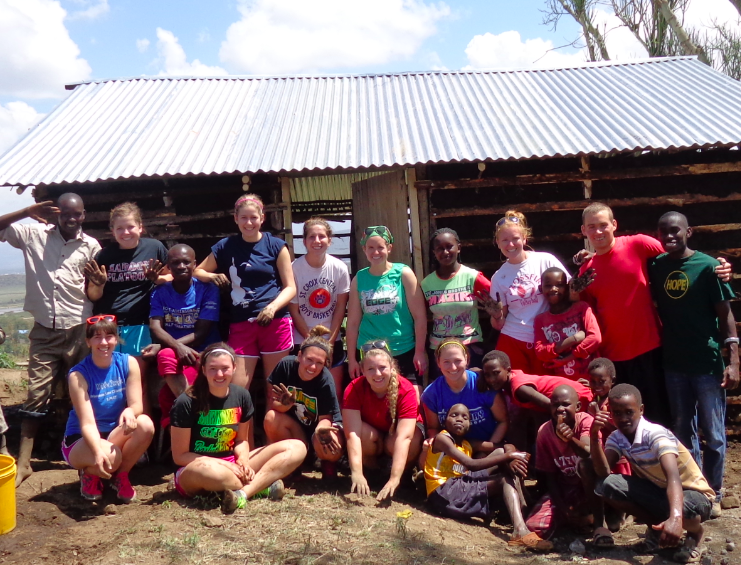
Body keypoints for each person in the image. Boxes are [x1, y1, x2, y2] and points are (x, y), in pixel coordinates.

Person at [577, 202, 731, 427]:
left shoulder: (637, 244)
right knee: (624, 422)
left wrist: (718, 265)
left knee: (661, 418)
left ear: (614, 225)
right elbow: (587, 314)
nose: (598, 231)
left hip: (650, 349)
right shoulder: (586, 271)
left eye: (603, 225)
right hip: (614, 358)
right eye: (592, 227)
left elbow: (680, 254)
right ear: (583, 231)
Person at [0, 194, 101, 486]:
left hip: (79, 329)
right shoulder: (33, 234)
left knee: (83, 394)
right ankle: (24, 462)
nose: (71, 219)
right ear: (57, 214)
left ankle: (87, 455)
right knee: (36, 394)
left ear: (84, 214)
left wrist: (98, 285)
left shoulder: (92, 246)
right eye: (66, 213)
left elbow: (93, 293)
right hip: (44, 329)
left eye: (77, 214)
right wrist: (26, 210)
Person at [647, 211, 739, 518]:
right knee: (682, 432)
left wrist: (733, 360)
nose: (669, 237)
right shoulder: (657, 266)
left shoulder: (710, 267)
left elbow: (725, 314)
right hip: (673, 363)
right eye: (663, 232)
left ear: (690, 232)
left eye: (675, 231)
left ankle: (715, 490)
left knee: (713, 433)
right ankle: (694, 489)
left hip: (707, 362)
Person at [170, 343, 306, 514]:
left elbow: (241, 440)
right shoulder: (186, 402)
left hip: (232, 464)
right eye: (213, 369)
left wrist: (243, 461)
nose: (219, 374)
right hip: (198, 468)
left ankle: (243, 493)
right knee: (209, 471)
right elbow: (180, 456)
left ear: (234, 368)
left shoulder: (241, 395)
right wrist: (225, 465)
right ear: (203, 370)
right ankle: (261, 487)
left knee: (297, 447)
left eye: (225, 368)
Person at [591, 384, 714, 563]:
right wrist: (594, 435)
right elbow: (603, 472)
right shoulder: (617, 438)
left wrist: (676, 517)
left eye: (629, 412)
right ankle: (657, 530)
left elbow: (673, 477)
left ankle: (695, 534)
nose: (623, 418)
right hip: (661, 494)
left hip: (695, 495)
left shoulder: (655, 434)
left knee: (685, 508)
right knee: (607, 485)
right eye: (617, 413)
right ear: (610, 413)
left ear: (641, 410)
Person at [194, 194, 296, 389]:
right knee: (238, 389)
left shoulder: (276, 246)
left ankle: (270, 420)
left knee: (275, 391)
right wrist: (212, 276)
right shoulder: (226, 246)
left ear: (262, 218)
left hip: (274, 322)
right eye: (244, 218)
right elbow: (198, 270)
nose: (249, 223)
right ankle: (241, 421)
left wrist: (272, 308)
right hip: (241, 323)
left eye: (253, 218)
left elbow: (290, 287)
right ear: (236, 219)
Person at [424, 403, 552, 552]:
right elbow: (470, 464)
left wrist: (509, 454)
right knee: (503, 477)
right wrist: (510, 455)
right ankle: (520, 530)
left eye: (465, 417)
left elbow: (502, 446)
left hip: (460, 486)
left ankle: (523, 510)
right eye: (454, 415)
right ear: (444, 421)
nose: (459, 419)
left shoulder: (468, 444)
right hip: (443, 493)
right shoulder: (442, 439)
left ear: (469, 425)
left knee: (499, 454)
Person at [62, 315, 154, 502]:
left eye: (109, 336)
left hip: (114, 434)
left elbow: (137, 405)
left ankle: (121, 476)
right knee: (110, 457)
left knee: (145, 424)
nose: (104, 342)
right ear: (88, 342)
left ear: (116, 339)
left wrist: (130, 411)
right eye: (97, 337)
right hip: (81, 437)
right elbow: (87, 424)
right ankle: (89, 473)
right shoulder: (78, 375)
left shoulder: (128, 363)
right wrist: (97, 452)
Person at [84, 202, 169, 383]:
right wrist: (98, 284)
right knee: (109, 379)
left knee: (136, 379)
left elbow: (172, 278)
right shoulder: (104, 256)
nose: (126, 232)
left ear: (140, 227)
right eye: (119, 228)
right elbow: (93, 296)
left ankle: (139, 412)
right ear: (112, 231)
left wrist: (157, 279)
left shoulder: (154, 248)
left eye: (130, 227)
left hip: (139, 325)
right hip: (108, 326)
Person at [142, 244, 221, 425]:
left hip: (204, 351)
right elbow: (155, 326)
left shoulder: (208, 290)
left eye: (186, 262)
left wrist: (166, 345)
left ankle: (190, 416)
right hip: (177, 355)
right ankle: (194, 410)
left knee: (166, 397)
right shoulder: (159, 292)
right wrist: (177, 347)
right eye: (176, 263)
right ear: (168, 267)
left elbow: (201, 332)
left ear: (194, 264)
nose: (181, 267)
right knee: (166, 356)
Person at [489, 211, 573, 375]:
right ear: (497, 243)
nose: (510, 244)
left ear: (524, 239)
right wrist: (496, 315)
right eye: (505, 240)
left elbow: (570, 292)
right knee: (517, 392)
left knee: (549, 391)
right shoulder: (498, 277)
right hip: (513, 340)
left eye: (515, 239)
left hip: (547, 337)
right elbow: (498, 324)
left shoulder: (545, 260)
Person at [346, 225, 428, 394]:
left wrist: (419, 351)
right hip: (370, 353)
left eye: (380, 247)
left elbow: (419, 316)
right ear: (364, 249)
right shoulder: (359, 278)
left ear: (389, 248)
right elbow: (353, 322)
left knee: (413, 399)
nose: (375, 252)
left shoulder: (403, 273)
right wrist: (352, 359)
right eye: (370, 247)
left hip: (403, 348)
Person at [525, 385, 609, 546]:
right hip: (567, 489)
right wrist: (564, 509)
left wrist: (570, 439)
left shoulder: (586, 421)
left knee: (585, 465)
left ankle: (598, 522)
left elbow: (587, 453)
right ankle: (578, 519)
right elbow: (549, 476)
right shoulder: (544, 432)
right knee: (534, 526)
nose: (560, 409)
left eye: (565, 404)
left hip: (594, 486)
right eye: (555, 405)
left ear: (577, 407)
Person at [343, 344, 423, 501]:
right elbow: (352, 434)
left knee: (413, 437)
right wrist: (357, 472)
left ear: (392, 366)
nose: (377, 373)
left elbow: (404, 437)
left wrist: (395, 477)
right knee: (361, 434)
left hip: (396, 439)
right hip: (374, 437)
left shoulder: (405, 389)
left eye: (382, 367)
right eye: (371, 369)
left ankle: (402, 476)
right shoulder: (354, 388)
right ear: (362, 369)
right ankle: (371, 473)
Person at [264, 326, 344, 478]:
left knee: (330, 442)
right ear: (299, 356)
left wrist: (321, 429)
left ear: (325, 364)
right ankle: (294, 463)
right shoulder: (285, 366)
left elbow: (326, 417)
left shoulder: (325, 380)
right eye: (309, 360)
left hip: (318, 428)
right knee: (271, 418)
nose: (313, 367)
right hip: (296, 429)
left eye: (319, 363)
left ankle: (326, 462)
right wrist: (286, 404)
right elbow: (274, 404)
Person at [479, 350, 592, 454]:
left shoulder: (519, 388)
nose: (491, 379)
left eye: (496, 373)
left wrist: (554, 429)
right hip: (573, 396)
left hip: (578, 398)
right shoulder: (512, 378)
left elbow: (550, 405)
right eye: (487, 375)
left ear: (508, 370)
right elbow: (537, 408)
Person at [288, 218, 350, 397]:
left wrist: (328, 343)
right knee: (304, 393)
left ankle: (333, 424)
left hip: (332, 340)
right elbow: (294, 310)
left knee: (333, 392)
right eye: (312, 237)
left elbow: (340, 307)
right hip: (302, 339)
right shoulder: (295, 269)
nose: (317, 241)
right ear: (304, 241)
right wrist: (312, 343)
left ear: (329, 240)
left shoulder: (339, 268)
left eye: (322, 236)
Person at [421, 227, 492, 380]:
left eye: (449, 246)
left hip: (470, 349)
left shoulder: (472, 277)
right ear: (434, 252)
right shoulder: (426, 284)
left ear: (458, 248)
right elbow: (418, 317)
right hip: (439, 351)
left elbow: (497, 301)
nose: (445, 252)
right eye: (439, 249)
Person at [422, 340, 507, 459]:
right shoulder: (431, 393)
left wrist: (487, 451)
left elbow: (503, 421)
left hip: (486, 447)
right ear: (438, 363)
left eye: (458, 361)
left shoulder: (482, 383)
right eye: (446, 362)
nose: (453, 367)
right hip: (453, 451)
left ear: (467, 360)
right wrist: (433, 440)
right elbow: (433, 427)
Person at [533, 267, 601, 383]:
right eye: (548, 286)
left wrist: (568, 357)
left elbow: (595, 338)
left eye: (559, 285)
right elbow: (540, 352)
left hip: (592, 380)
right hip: (563, 384)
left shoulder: (581, 308)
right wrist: (573, 339)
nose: (554, 289)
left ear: (567, 286)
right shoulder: (540, 320)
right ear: (541, 288)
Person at [585, 358, 631, 478]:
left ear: (612, 381)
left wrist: (598, 417)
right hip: (600, 453)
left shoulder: (615, 402)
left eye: (601, 381)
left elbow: (623, 432)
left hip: (618, 457)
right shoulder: (594, 400)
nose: (597, 386)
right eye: (593, 381)